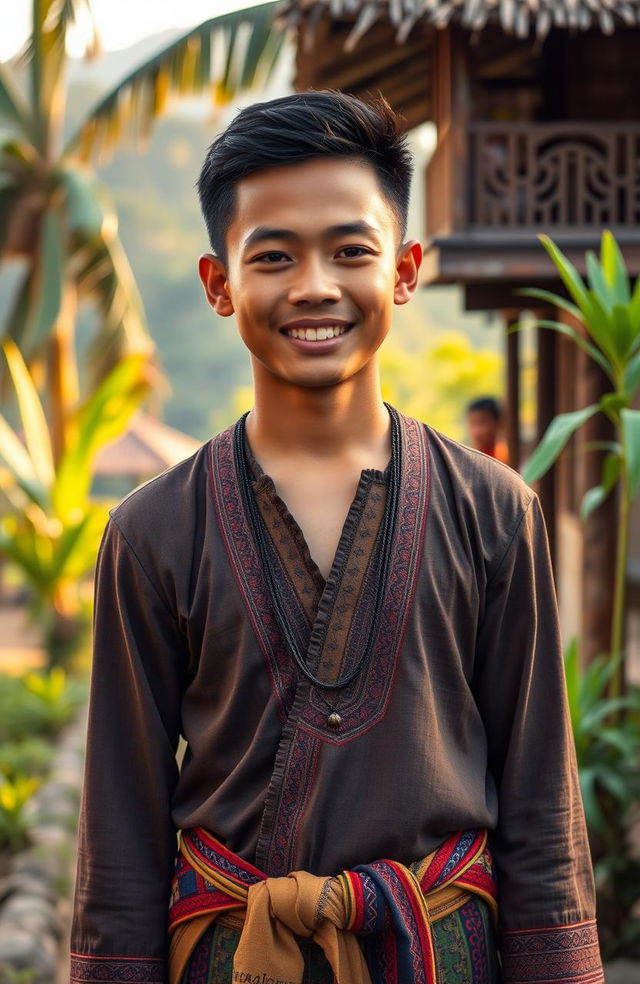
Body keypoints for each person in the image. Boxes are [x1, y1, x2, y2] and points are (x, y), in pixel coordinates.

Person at [70, 92, 603, 984]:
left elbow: (542, 800)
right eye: (272, 255)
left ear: (403, 269)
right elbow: (119, 824)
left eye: (351, 250)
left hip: (441, 954)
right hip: (235, 957)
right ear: (218, 283)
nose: (315, 285)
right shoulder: (151, 531)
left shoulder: (495, 509)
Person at [466, 396, 509, 463]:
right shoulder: (467, 457)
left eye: (482, 423)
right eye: (472, 424)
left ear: (499, 424)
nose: (476, 431)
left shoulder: (505, 456)